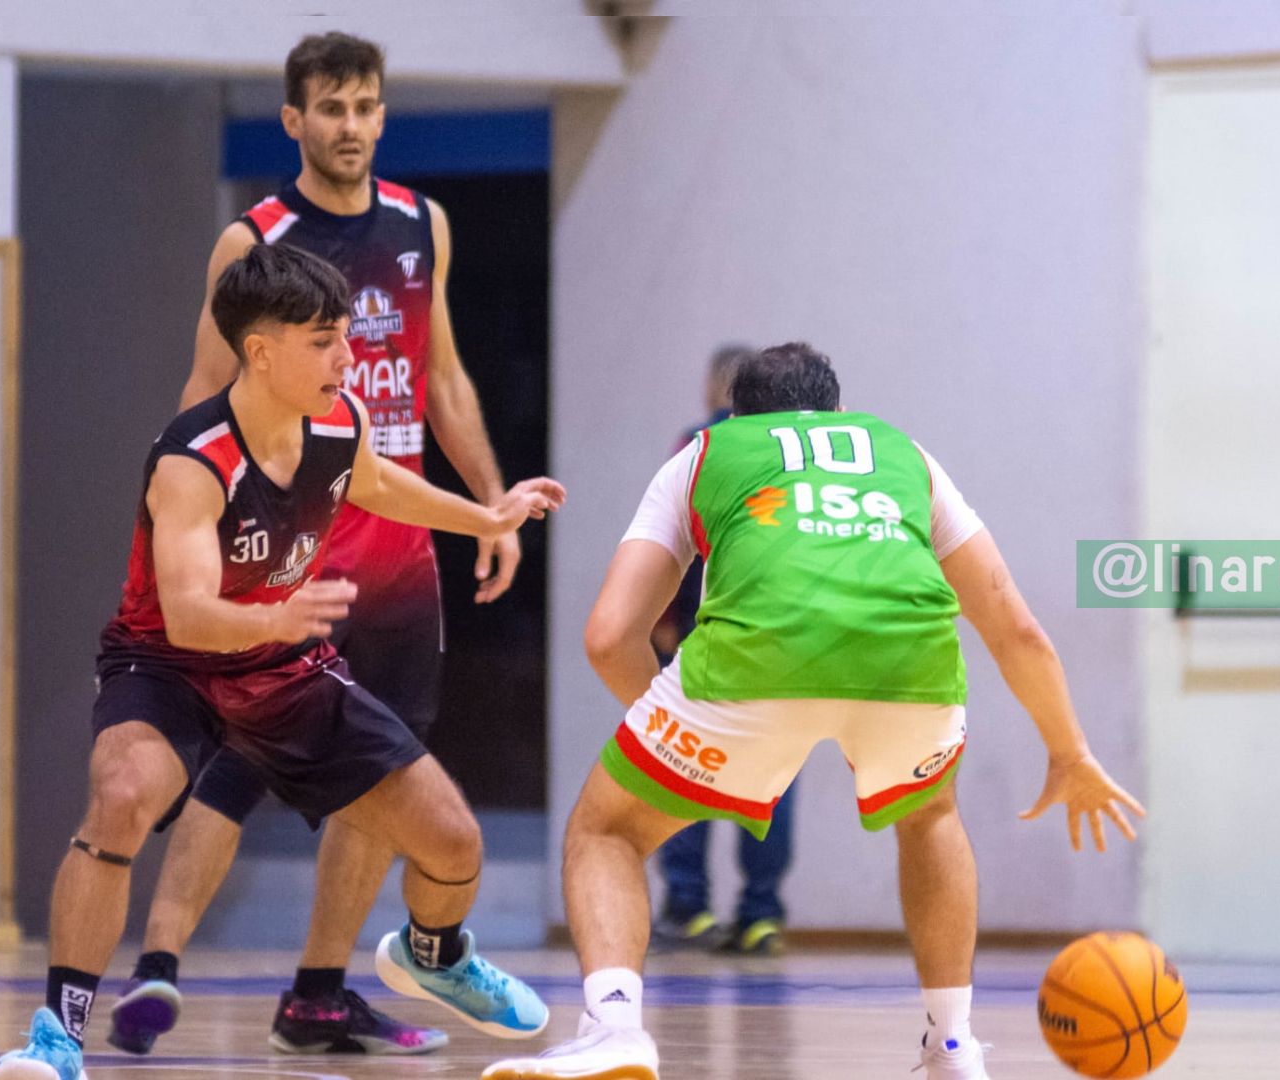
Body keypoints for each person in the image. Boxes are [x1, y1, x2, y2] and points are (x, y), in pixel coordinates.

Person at [484, 344, 1145, 1080]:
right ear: (836, 409)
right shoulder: (903, 453)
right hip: (913, 668)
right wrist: (1070, 751)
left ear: (740, 415)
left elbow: (610, 637)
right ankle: (952, 1045)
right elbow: (1015, 629)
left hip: (750, 670)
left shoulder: (707, 451)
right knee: (930, 817)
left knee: (606, 829)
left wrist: (674, 741)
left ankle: (614, 1030)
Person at [0, 243, 556, 1080]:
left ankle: (433, 954)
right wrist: (276, 611)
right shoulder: (193, 460)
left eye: (344, 336)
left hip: (282, 667)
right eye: (325, 339)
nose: (348, 354)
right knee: (122, 796)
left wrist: (487, 517)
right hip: (168, 666)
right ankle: (58, 1035)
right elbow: (186, 615)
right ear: (260, 351)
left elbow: (376, 485)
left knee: (453, 841)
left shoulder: (340, 420)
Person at [106, 31, 531, 1059]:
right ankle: (156, 964)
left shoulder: (421, 224)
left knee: (382, 775)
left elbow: (443, 379)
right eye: (330, 108)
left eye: (366, 106)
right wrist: (191, 533)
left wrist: (489, 499)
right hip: (288, 546)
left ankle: (320, 992)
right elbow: (202, 398)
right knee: (236, 759)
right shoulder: (249, 241)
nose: (350, 125)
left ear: (384, 116)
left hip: (398, 552)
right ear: (293, 120)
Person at [649, 343, 798, 956]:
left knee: (686, 768)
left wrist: (661, 621)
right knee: (772, 779)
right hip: (785, 640)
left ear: (719, 387)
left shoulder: (700, 445)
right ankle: (761, 914)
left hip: (704, 634)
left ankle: (690, 908)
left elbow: (670, 541)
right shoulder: (794, 455)